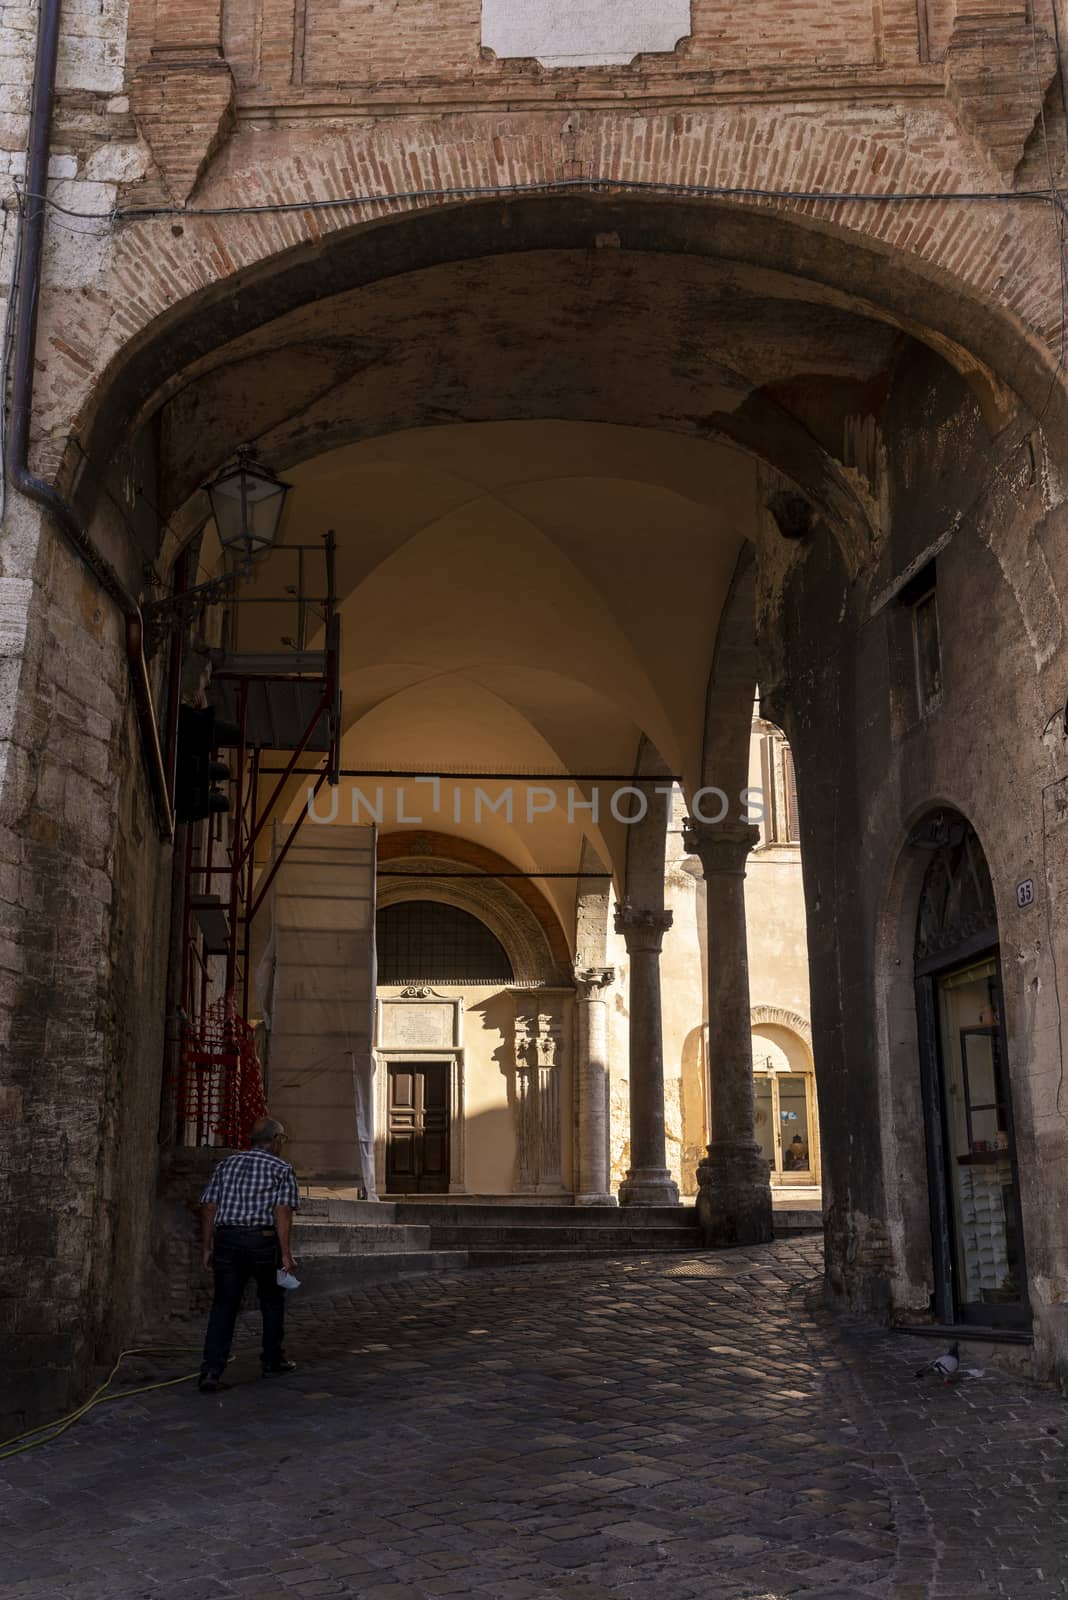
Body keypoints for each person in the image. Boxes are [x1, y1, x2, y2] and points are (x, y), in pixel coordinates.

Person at [198, 1115, 300, 1393]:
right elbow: (282, 1212)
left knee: (224, 1306)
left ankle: (211, 1371)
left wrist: (207, 1247)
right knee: (271, 1300)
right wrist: (286, 1255)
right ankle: (271, 1360)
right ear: (276, 1140)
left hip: (227, 1240)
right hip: (263, 1241)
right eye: (283, 1140)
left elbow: (209, 1207)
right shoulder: (281, 1168)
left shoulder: (226, 1165)